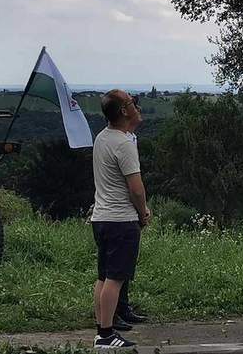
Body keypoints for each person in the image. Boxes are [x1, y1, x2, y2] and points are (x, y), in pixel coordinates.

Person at [90, 89, 151, 350]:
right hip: (121, 220)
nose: (136, 105)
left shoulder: (103, 137)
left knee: (104, 277)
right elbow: (136, 188)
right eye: (131, 102)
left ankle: (102, 329)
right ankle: (106, 335)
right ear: (124, 111)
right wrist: (143, 212)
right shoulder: (124, 144)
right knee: (115, 278)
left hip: (102, 217)